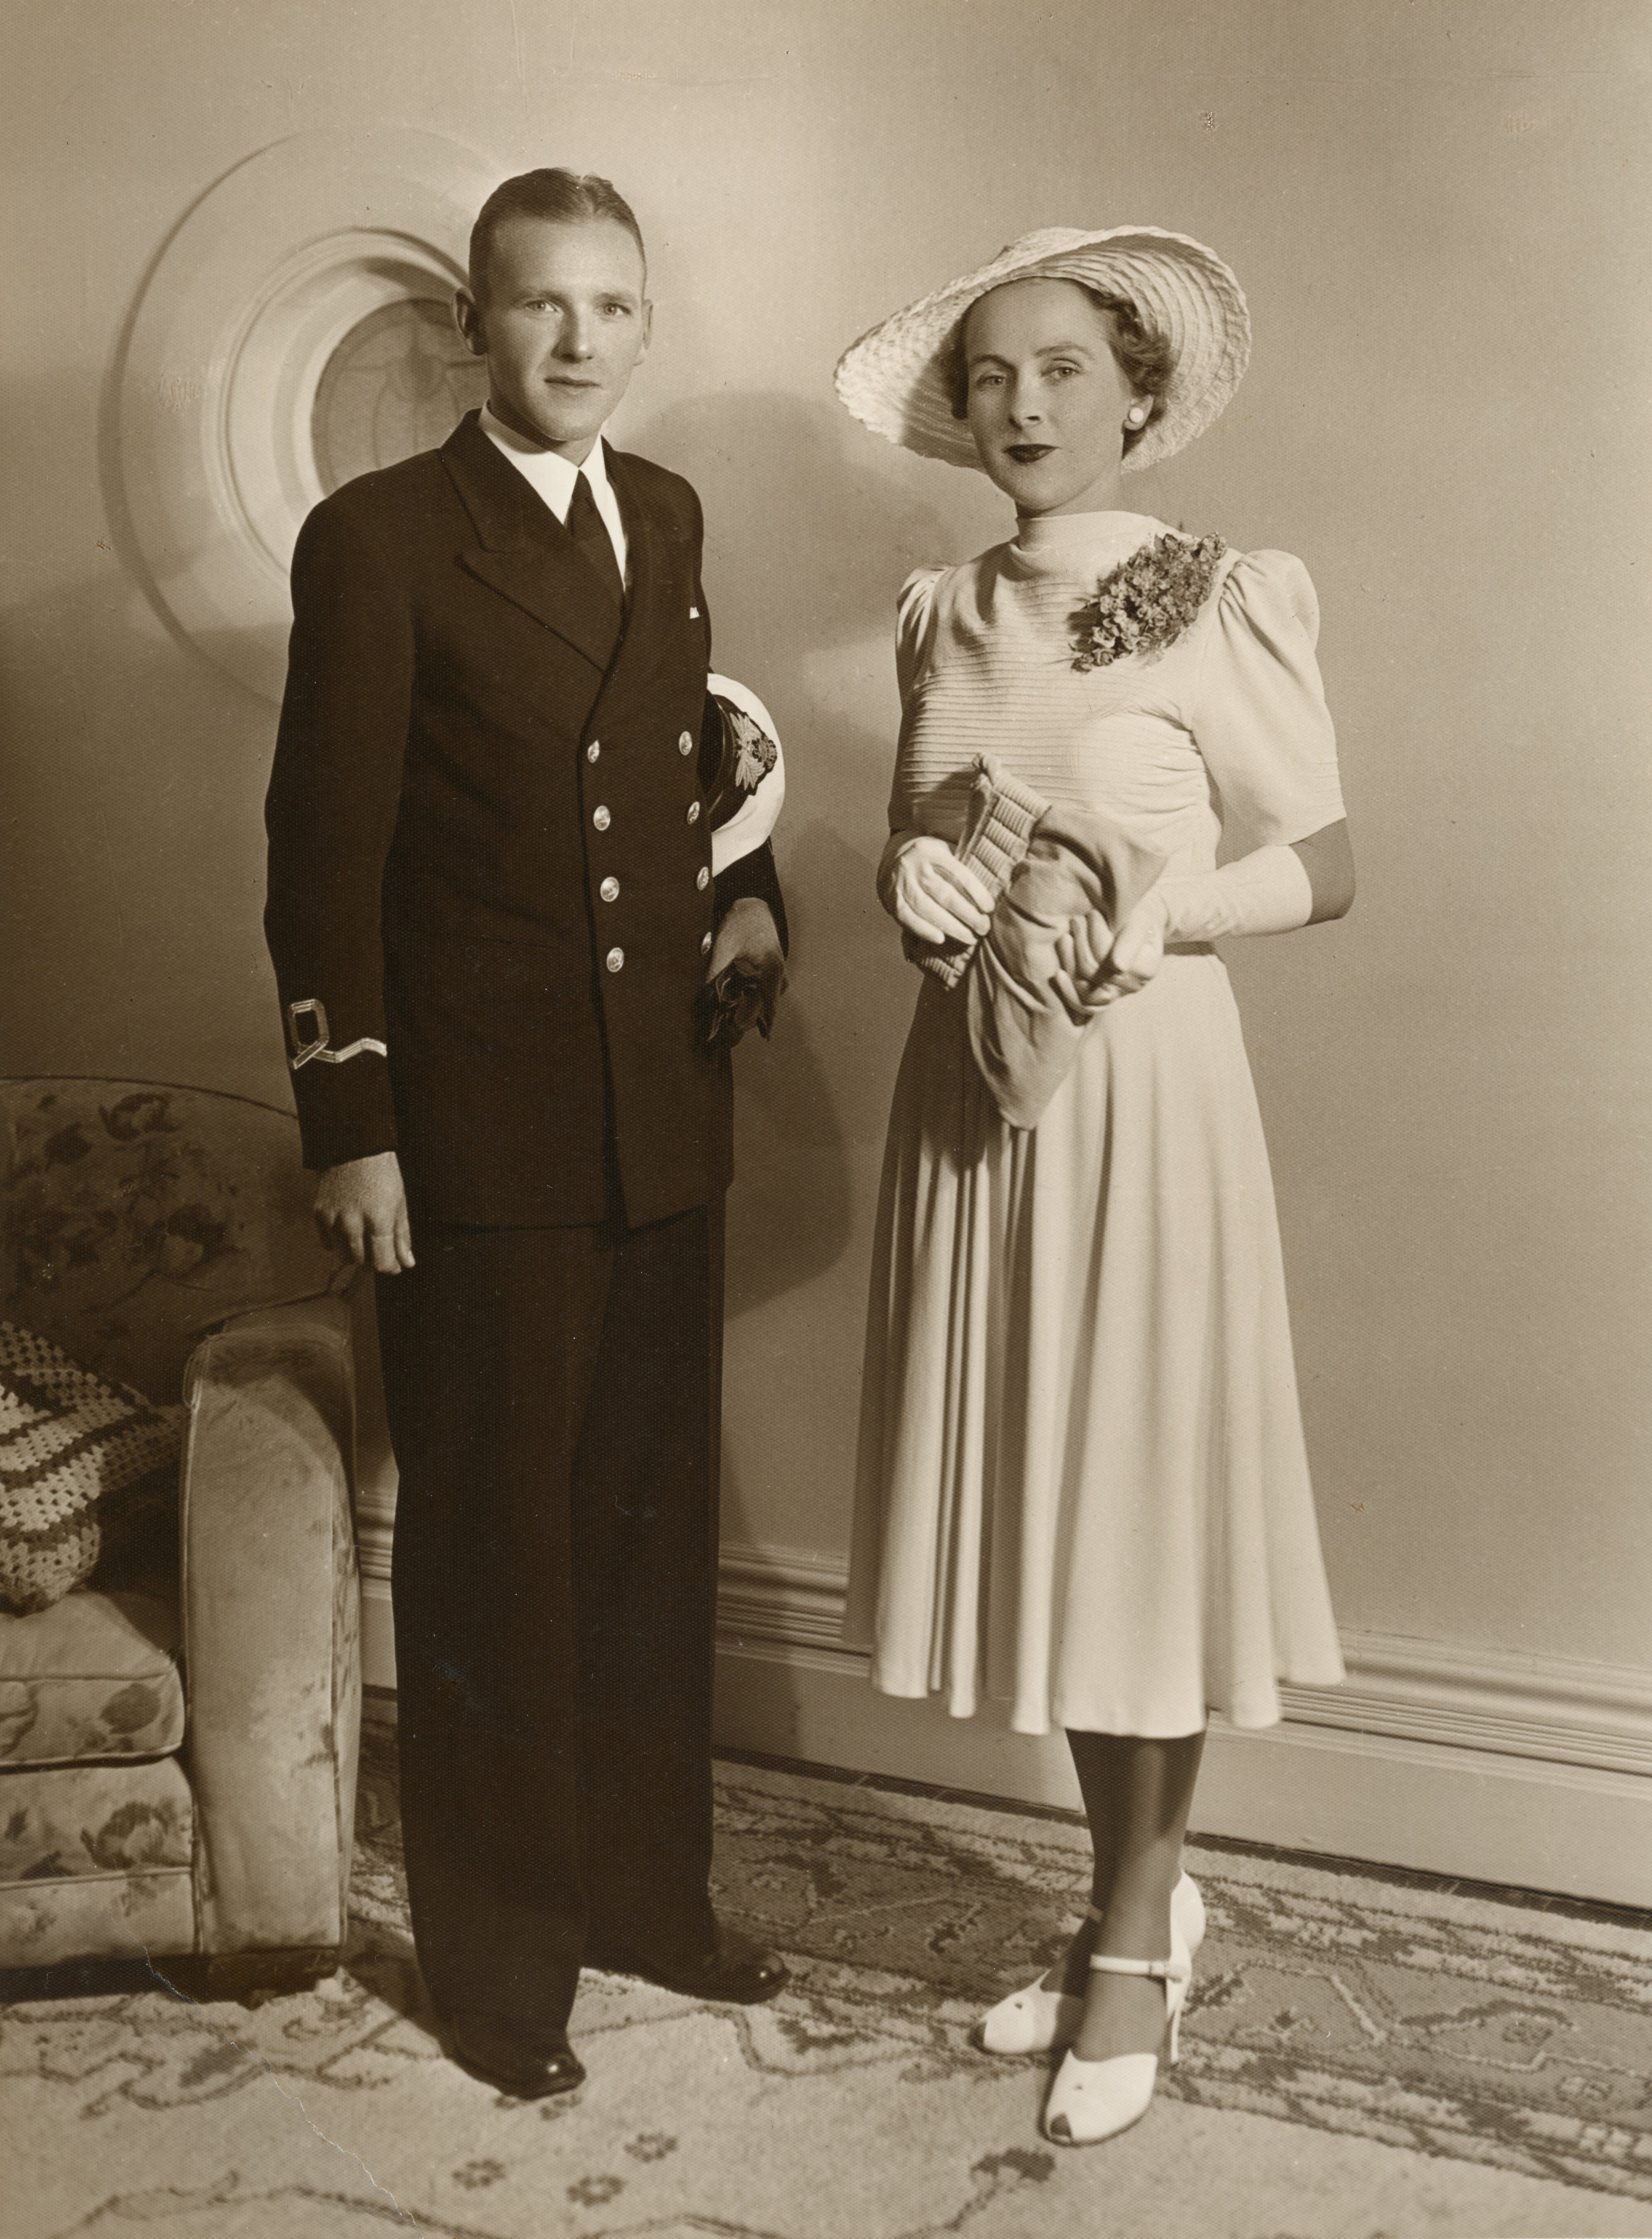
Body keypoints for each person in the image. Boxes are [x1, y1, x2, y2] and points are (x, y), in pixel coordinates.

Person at [264, 168, 790, 2101]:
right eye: (541, 307)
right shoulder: (381, 540)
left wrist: (762, 908)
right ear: (472, 328)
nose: (579, 342)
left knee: (642, 1544)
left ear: (644, 325)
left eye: (613, 309)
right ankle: (500, 1972)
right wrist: (356, 1125)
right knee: (493, 1556)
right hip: (473, 1144)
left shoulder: (663, 515)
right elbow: (318, 870)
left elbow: (687, 789)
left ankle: (648, 1896)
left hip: (661, 1121)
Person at [836, 225, 1353, 2147]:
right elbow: (928, 834)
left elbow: (1325, 860)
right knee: (1058, 1505)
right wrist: (907, 882)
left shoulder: (1220, 594)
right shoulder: (932, 610)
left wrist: (1166, 905)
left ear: (1136, 391)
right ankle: (1132, 1891)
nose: (1024, 405)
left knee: (1135, 1497)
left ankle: (1132, 1927)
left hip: (1146, 1093)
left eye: (1060, 368)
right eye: (989, 376)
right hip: (976, 1098)